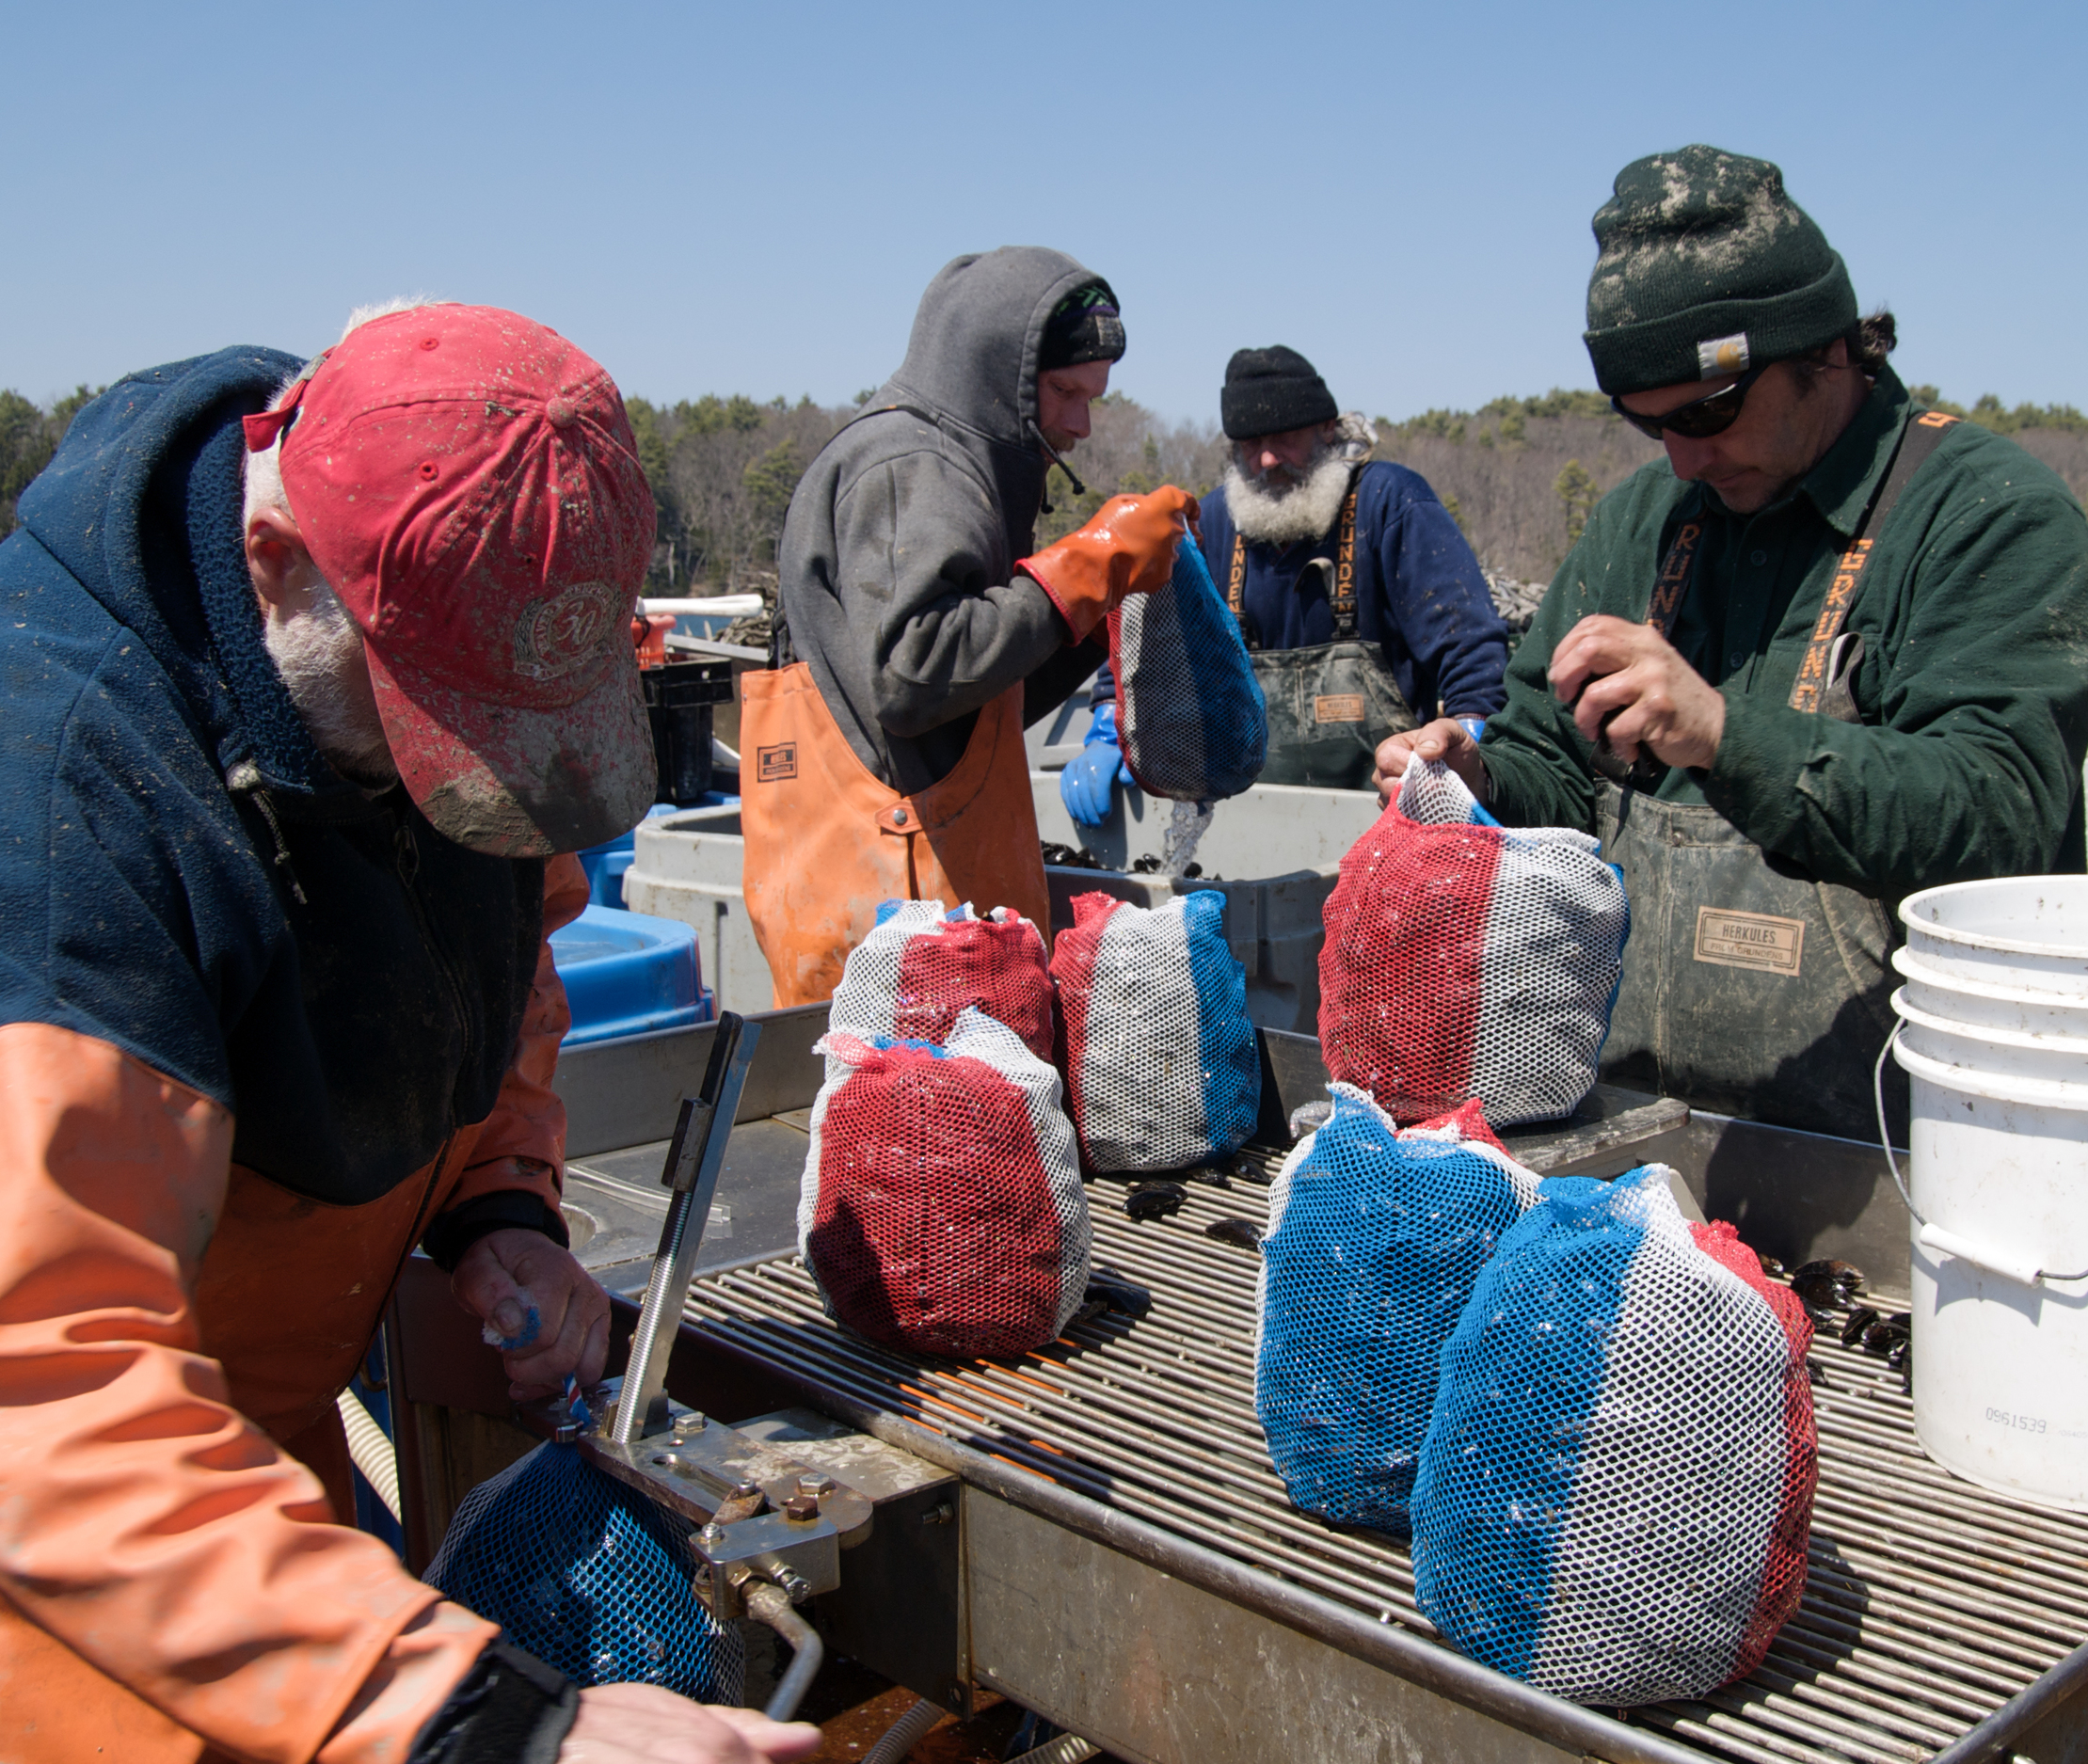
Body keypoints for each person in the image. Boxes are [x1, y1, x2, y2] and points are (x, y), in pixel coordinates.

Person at [0, 304, 814, 1762]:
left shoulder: (428, 629)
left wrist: (499, 1202)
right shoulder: (62, 809)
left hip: (262, 1506)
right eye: (442, 729)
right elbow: (42, 1377)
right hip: (77, 1567)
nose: (476, 785)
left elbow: (507, 970)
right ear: (278, 561)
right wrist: (472, 1717)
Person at [1377, 146, 2088, 1140]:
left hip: (1901, 1154)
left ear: (1825, 348)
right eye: (1649, 427)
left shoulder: (1992, 514)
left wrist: (1724, 734)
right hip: (1634, 1138)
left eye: (1710, 411)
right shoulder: (1644, 519)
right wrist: (1479, 776)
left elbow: (2003, 820)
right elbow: (1554, 764)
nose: (1683, 456)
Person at [744, 247, 1195, 1006]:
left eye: (1093, 397)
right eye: (1062, 391)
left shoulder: (952, 468)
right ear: (999, 373)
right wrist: (1087, 569)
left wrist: (1091, 613)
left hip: (933, 913)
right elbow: (912, 673)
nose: (1080, 423)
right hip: (898, 928)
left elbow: (975, 702)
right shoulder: (910, 463)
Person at [1061, 344, 1508, 819]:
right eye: (1251, 445)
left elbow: (1470, 647)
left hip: (1384, 815)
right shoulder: (1210, 524)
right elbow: (1140, 640)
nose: (1269, 459)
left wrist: (1473, 743)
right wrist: (1110, 723)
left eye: (1285, 437)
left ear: (1327, 429)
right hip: (1253, 815)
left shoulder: (1390, 503)